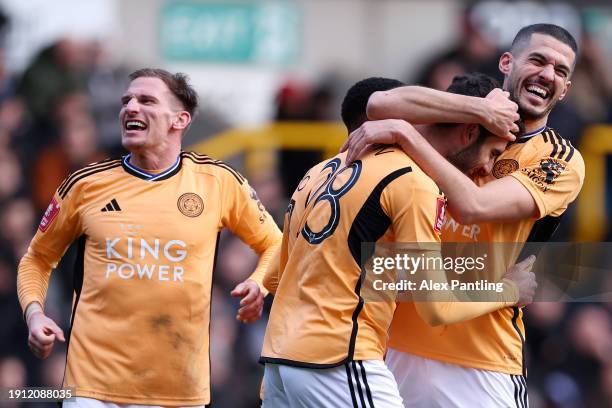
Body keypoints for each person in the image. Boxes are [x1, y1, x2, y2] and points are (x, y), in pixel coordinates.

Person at [342, 23, 585, 407]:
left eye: (560, 71)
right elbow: (374, 105)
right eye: (538, 60)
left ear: (566, 89)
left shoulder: (558, 158)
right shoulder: (463, 109)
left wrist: (407, 135)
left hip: (482, 361)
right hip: (395, 347)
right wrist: (477, 109)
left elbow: (474, 206)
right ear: (507, 62)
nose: (547, 74)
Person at [260, 74, 538, 407]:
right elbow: (438, 307)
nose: (486, 169)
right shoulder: (413, 181)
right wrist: (509, 290)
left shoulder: (319, 170)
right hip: (339, 358)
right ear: (468, 132)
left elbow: (274, 278)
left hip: (278, 361)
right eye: (493, 153)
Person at [16, 68, 282, 407]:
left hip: (176, 391)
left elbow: (275, 244)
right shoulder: (85, 185)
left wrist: (259, 283)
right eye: (126, 100)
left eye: (147, 101)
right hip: (91, 386)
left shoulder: (218, 183)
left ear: (179, 120)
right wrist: (35, 313)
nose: (130, 107)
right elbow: (37, 258)